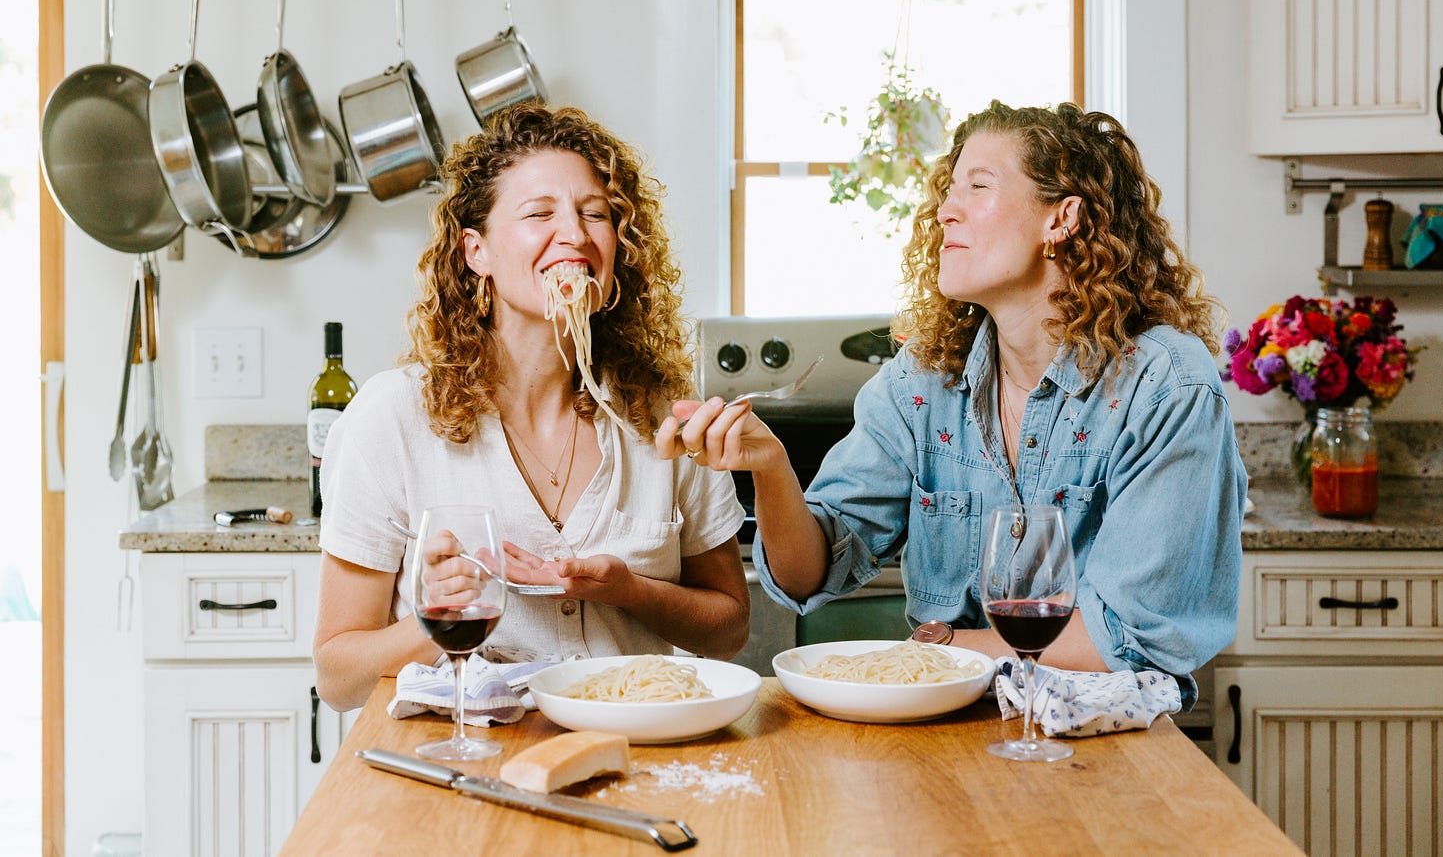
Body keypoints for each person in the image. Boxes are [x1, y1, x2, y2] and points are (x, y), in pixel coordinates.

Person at [658, 100, 1245, 708]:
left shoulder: (1165, 387)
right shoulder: (921, 381)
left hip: (1109, 745)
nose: (945, 210)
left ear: (1062, 218)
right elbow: (812, 573)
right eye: (949, 188)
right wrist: (773, 469)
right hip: (948, 733)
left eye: (978, 186)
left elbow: (1133, 636)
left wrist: (942, 649)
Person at [315, 104, 749, 711]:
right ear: (476, 252)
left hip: (633, 755)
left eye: (595, 214)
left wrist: (630, 592)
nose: (573, 233)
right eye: (539, 213)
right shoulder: (390, 420)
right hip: (459, 768)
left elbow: (729, 629)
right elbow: (337, 681)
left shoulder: (662, 417)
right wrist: (434, 622)